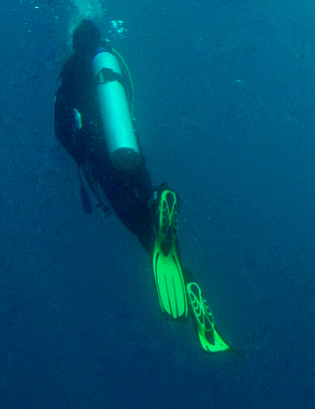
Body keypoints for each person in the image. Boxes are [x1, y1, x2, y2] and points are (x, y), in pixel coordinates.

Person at [55, 19, 229, 353]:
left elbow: (61, 128)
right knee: (149, 203)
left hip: (101, 156)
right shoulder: (110, 59)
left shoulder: (71, 69)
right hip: (129, 145)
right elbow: (130, 99)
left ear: (75, 43)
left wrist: (81, 151)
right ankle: (159, 207)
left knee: (137, 224)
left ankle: (164, 253)